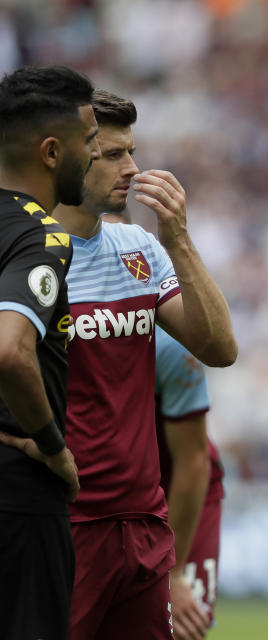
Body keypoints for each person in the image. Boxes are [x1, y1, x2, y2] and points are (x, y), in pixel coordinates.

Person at [36, 88, 233, 639]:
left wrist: (180, 239)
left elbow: (220, 348)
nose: (134, 169)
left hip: (145, 525)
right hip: (65, 525)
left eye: (133, 151)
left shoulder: (138, 248)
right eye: (114, 154)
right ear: (67, 158)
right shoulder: (29, 258)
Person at [0, 64, 98, 640]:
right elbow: (11, 352)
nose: (94, 154)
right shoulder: (40, 237)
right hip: (18, 494)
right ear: (52, 151)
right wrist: (52, 446)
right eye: (89, 141)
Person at [100, 207, 225, 640]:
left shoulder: (172, 340)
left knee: (179, 629)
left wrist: (175, 571)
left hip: (182, 496)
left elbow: (192, 464)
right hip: (116, 501)